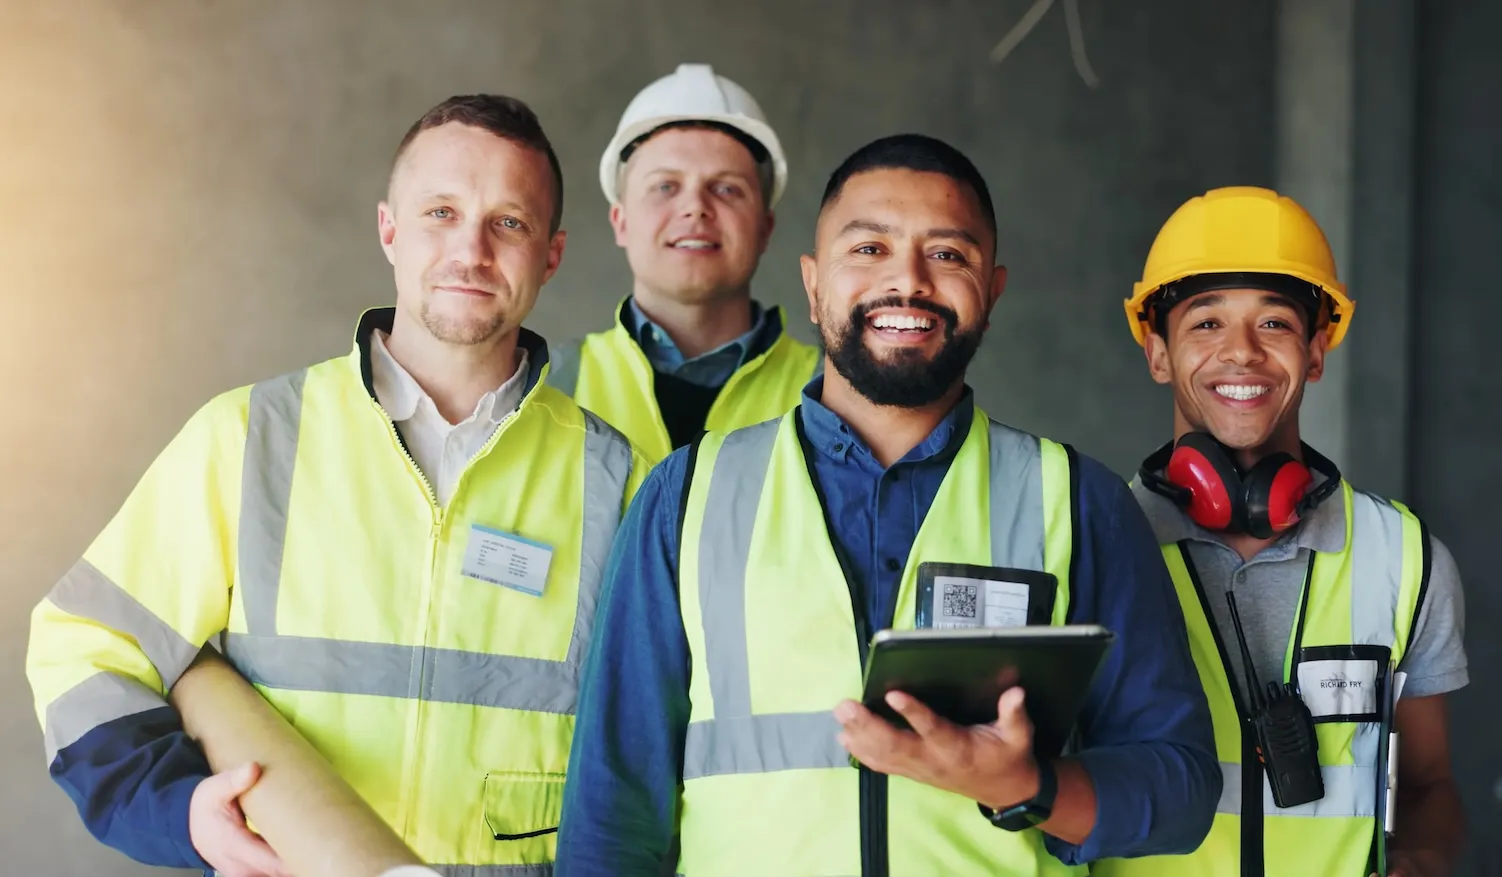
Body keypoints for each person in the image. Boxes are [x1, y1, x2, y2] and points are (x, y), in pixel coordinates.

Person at [554, 134, 1221, 877]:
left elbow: (1182, 787)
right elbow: (611, 819)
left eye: (948, 254)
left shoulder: (1079, 500)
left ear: (992, 292)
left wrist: (1024, 786)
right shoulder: (685, 497)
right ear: (813, 283)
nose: (908, 281)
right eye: (868, 250)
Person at [26, 94, 648, 875]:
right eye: (441, 212)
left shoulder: (619, 481)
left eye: (509, 223)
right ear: (389, 228)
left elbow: (647, 754)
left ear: (551, 255)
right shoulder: (250, 439)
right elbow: (83, 643)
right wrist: (179, 809)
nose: (472, 249)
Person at [1093, 186, 1467, 877]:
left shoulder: (1404, 559)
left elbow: (1429, 783)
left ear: (1317, 352)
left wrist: (1420, 857)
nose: (1242, 353)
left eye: (1274, 324)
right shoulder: (1092, 546)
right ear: (1158, 353)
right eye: (1206, 323)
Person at [546, 63, 821, 462]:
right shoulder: (546, 386)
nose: (695, 207)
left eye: (726, 188)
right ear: (620, 223)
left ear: (765, 228)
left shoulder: (831, 394)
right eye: (665, 186)